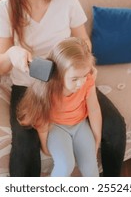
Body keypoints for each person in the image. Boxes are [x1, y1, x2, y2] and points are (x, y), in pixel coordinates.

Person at [0, 0, 126, 177]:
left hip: (69, 80)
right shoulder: (6, 8)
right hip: (29, 85)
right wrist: (12, 54)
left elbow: (84, 41)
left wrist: (84, 63)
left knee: (114, 126)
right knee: (25, 145)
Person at [17, 37, 101, 176]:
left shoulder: (87, 82)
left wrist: (96, 138)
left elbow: (94, 109)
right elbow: (42, 119)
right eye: (75, 79)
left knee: (91, 165)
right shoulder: (47, 89)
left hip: (80, 125)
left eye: (84, 75)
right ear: (60, 75)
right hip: (57, 127)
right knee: (66, 165)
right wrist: (44, 146)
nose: (81, 83)